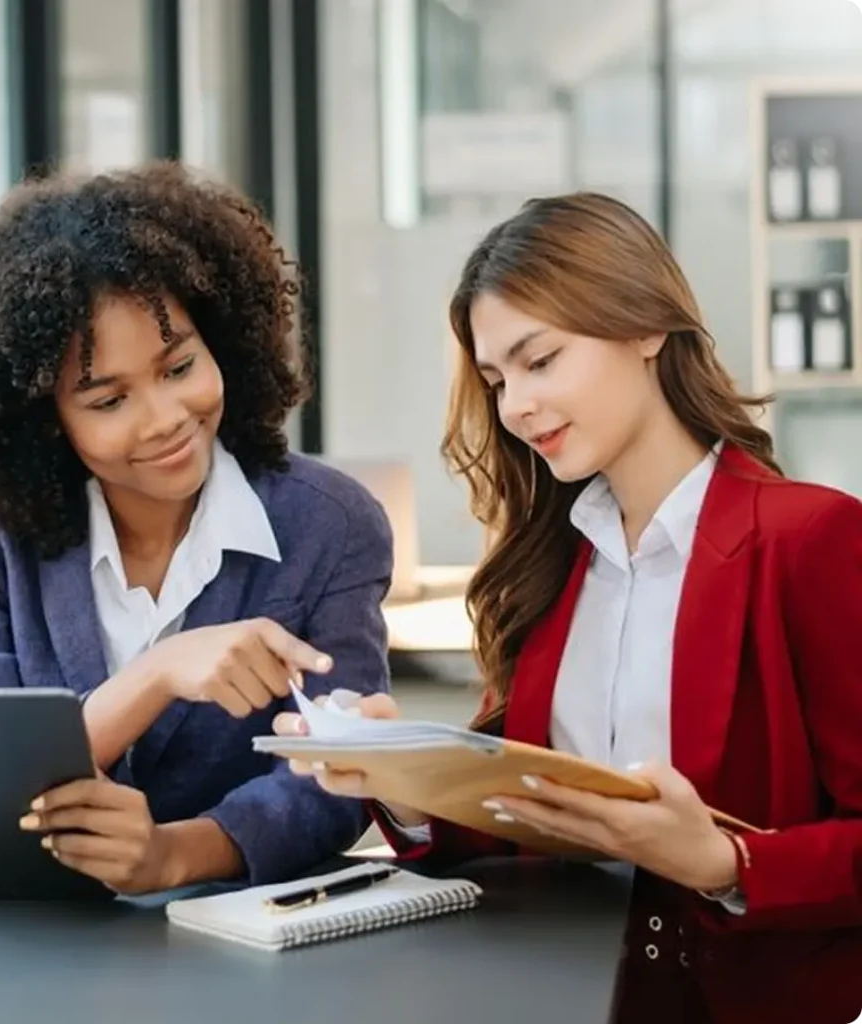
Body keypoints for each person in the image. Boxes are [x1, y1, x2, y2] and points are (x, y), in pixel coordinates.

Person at [274, 193, 862, 1023]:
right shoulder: (551, 565)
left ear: (645, 327)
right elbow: (529, 818)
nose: (514, 405)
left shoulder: (811, 538)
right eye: (497, 380)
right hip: (561, 991)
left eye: (540, 360)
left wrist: (725, 863)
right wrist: (404, 782)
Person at [0, 161, 393, 896]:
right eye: (109, 401)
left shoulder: (330, 524)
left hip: (236, 937)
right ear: (44, 421)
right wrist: (156, 675)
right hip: (20, 932)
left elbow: (338, 786)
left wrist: (173, 855)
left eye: (179, 367)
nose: (165, 419)